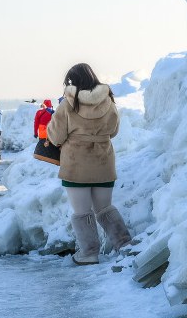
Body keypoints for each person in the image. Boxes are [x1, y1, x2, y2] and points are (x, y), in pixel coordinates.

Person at [45, 63, 131, 265]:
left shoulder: (68, 104)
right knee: (105, 208)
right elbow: (114, 131)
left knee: (82, 212)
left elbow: (56, 136)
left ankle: (89, 253)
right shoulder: (108, 101)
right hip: (103, 161)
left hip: (76, 164)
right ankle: (125, 245)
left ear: (71, 82)